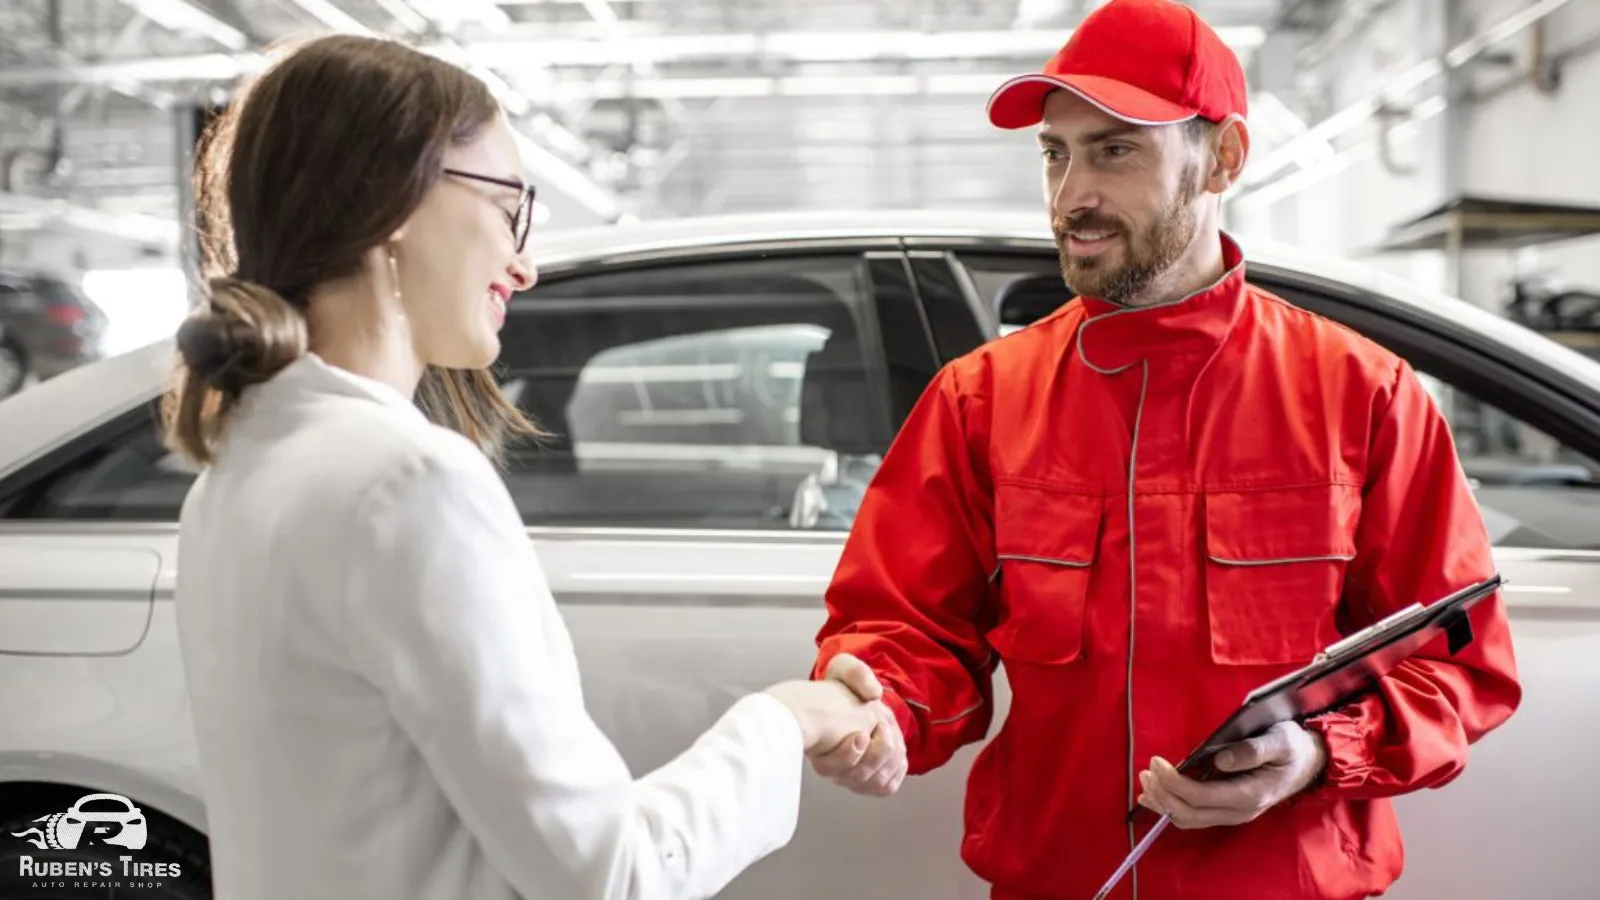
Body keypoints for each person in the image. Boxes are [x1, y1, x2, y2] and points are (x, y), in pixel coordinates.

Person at [805, 1, 1522, 898]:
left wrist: (1310, 753)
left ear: (1222, 157)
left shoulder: (1362, 396)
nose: (1072, 196)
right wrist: (878, 711)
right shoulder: (981, 401)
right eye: (1055, 154)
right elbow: (912, 631)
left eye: (1114, 150)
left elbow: (1460, 662)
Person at [165, 34, 880, 900]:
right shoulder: (407, 482)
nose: (525, 262)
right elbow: (609, 874)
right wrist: (784, 719)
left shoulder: (235, 474)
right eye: (510, 205)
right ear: (390, 197)